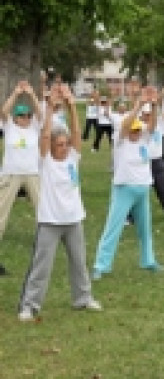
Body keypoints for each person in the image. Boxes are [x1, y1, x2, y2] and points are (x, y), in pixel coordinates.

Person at [18, 84, 102, 321]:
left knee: (79, 263)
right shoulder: (45, 161)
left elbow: (76, 133)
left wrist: (72, 106)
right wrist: (50, 107)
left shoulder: (72, 158)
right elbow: (45, 135)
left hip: (74, 219)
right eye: (60, 145)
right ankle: (30, 305)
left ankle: (82, 298)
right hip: (50, 221)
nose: (64, 148)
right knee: (41, 267)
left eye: (66, 144)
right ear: (52, 146)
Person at [93, 89, 164, 279]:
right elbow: (125, 125)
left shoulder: (144, 139)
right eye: (133, 129)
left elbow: (152, 126)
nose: (135, 132)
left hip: (142, 189)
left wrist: (154, 105)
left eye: (137, 129)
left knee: (145, 228)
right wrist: (138, 106)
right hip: (124, 189)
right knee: (113, 227)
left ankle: (148, 260)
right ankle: (101, 265)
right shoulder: (120, 140)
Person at [0, 80, 42, 239]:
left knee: (41, 206)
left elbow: (39, 113)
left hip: (32, 173)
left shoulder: (34, 128)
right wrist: (16, 94)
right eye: (22, 116)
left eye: (28, 115)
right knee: (2, 206)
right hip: (11, 173)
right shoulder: (9, 126)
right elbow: (4, 112)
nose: (26, 118)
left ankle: (45, 235)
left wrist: (31, 94)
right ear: (15, 117)